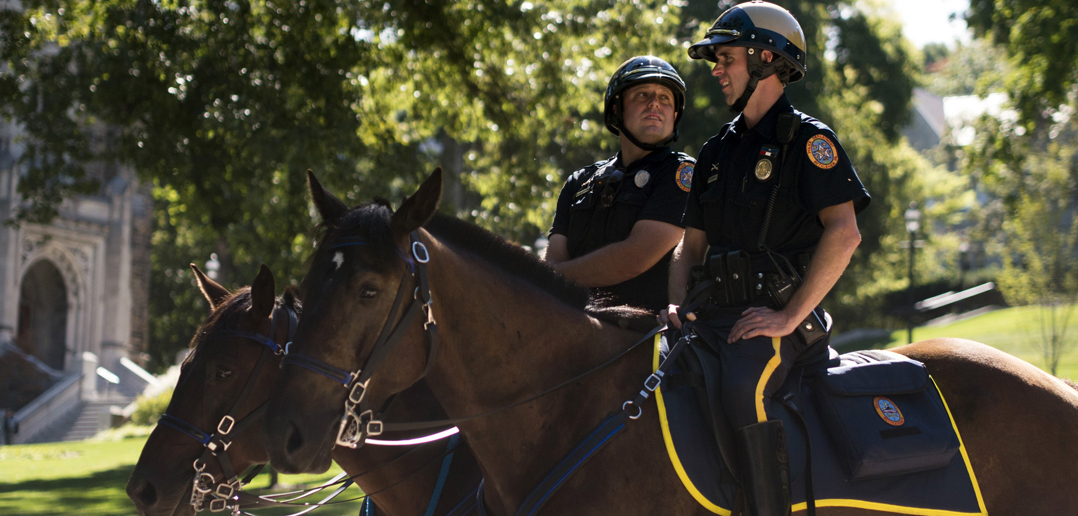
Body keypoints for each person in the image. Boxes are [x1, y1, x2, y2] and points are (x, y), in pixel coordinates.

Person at [664, 2, 870, 515]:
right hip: (711, 318)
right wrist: (675, 308)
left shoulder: (809, 141)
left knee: (742, 391)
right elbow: (688, 249)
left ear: (765, 58)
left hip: (779, 325)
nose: (716, 70)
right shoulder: (713, 154)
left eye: (726, 57)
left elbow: (844, 235)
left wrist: (787, 317)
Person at [545, 56, 695, 313]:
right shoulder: (579, 181)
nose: (654, 104)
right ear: (616, 109)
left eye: (665, 99)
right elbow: (554, 259)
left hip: (646, 335)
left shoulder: (682, 173)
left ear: (675, 114)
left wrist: (551, 278)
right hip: (571, 327)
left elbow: (635, 258)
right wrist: (548, 277)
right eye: (642, 94)